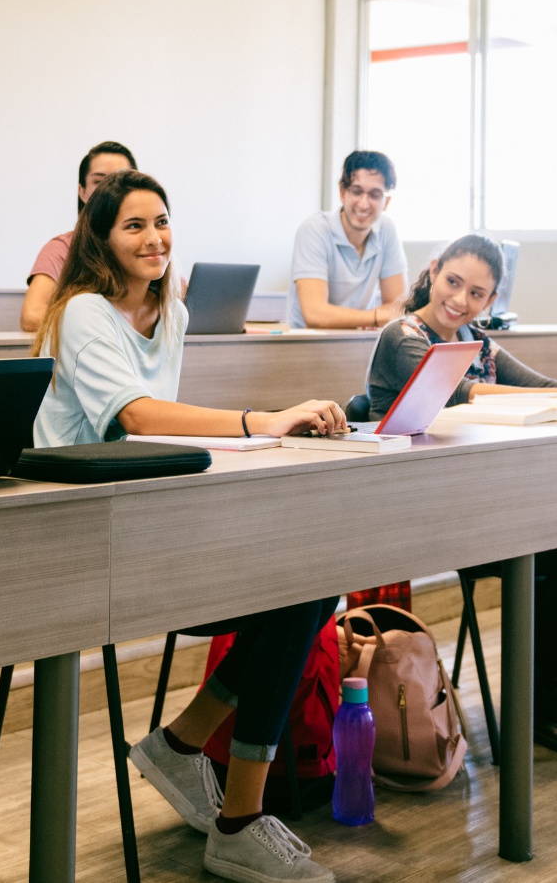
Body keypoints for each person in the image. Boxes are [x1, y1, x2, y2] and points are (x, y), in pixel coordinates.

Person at [30, 169, 345, 883]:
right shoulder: (82, 312)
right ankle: (223, 803)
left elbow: (152, 443)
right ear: (101, 241)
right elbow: (135, 418)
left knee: (310, 580)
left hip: (142, 512)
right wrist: (259, 422)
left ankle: (199, 763)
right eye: (133, 225)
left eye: (162, 222)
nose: (154, 237)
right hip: (76, 529)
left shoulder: (168, 311)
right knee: (295, 589)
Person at [365, 235, 557, 757]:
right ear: (434, 272)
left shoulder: (478, 341)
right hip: (417, 509)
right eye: (454, 283)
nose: (462, 300)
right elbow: (461, 393)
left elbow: (539, 382)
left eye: (478, 294)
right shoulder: (404, 336)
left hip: (478, 501)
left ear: (490, 302)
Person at [20, 140, 135, 333]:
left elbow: (186, 306)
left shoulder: (149, 246)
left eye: (122, 182)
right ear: (82, 191)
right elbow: (32, 316)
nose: (111, 191)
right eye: (99, 181)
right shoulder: (61, 248)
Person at [287, 152, 408, 329]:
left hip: (358, 341)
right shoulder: (314, 230)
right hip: (308, 344)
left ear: (386, 202)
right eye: (357, 192)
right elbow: (315, 314)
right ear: (343, 193)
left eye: (374, 195)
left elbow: (398, 308)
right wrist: (375, 317)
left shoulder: (387, 229)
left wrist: (368, 318)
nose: (363, 204)